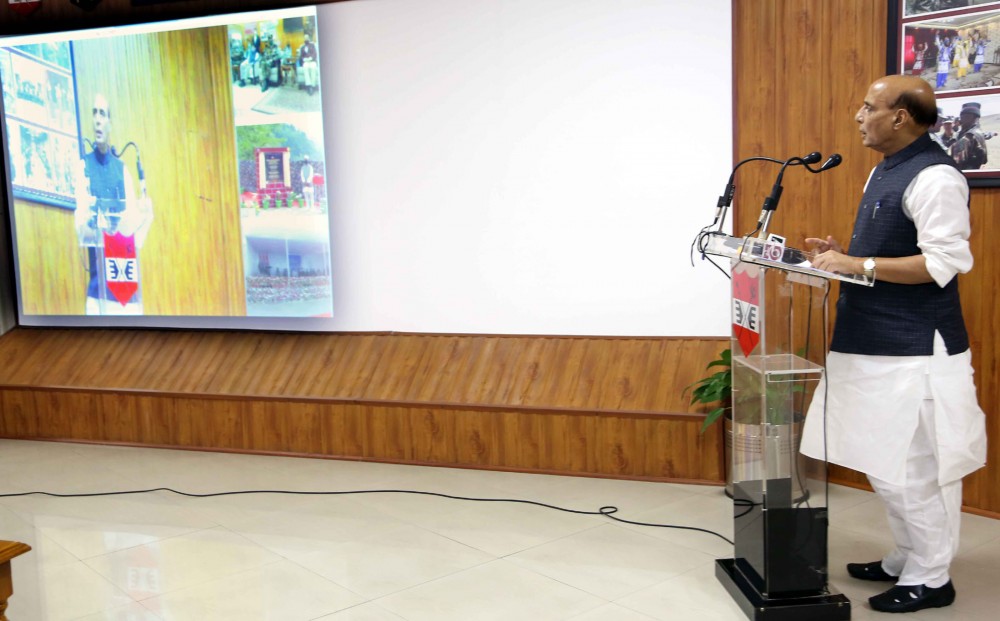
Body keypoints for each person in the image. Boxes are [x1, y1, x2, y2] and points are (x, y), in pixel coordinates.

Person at [801, 75, 986, 614]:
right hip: (870, 339)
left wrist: (855, 263)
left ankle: (932, 577)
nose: (858, 116)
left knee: (915, 468)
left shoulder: (936, 178)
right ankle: (909, 555)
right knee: (884, 462)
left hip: (915, 349)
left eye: (868, 107)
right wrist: (844, 254)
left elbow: (942, 265)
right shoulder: (884, 170)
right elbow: (886, 257)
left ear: (900, 116)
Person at [74, 93, 154, 315]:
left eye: (103, 114)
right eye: (94, 113)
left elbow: (131, 230)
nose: (98, 119)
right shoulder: (83, 168)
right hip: (98, 294)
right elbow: (81, 226)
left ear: (109, 123)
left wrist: (145, 215)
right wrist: (104, 225)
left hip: (125, 291)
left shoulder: (123, 171)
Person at [951, 101, 988, 170]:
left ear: (972, 117)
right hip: (977, 173)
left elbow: (956, 161)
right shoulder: (978, 132)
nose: (961, 119)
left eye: (963, 116)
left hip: (967, 174)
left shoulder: (968, 136)